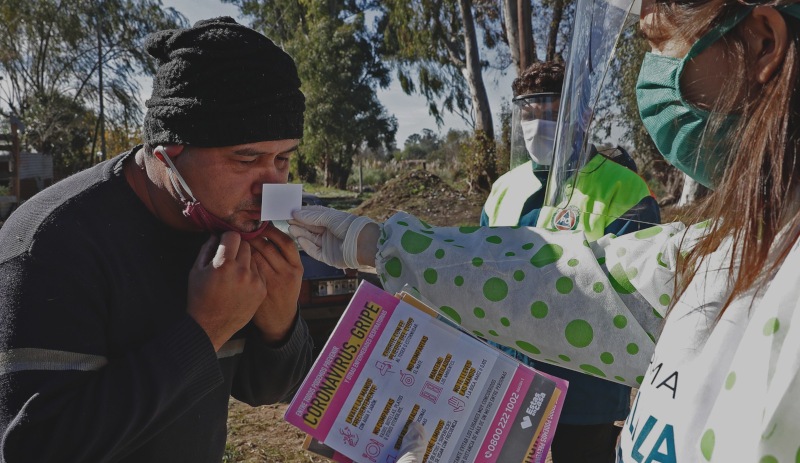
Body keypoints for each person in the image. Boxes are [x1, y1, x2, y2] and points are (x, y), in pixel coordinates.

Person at [288, 1, 800, 461]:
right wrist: (380, 245)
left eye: (659, 44)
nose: (654, 77)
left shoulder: (633, 193)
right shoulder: (731, 251)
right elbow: (566, 281)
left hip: (585, 402)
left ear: (761, 43)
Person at [0, 17, 315, 462]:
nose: (270, 186)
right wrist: (205, 330)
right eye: (246, 159)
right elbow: (36, 449)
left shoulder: (230, 226)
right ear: (168, 150)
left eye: (283, 159)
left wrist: (280, 325)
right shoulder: (52, 243)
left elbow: (267, 391)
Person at [483, 60, 660, 463]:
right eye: (528, 112)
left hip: (586, 388)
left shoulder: (623, 188)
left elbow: (635, 294)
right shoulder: (504, 189)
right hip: (509, 376)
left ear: (582, 115)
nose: (536, 124)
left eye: (549, 111)